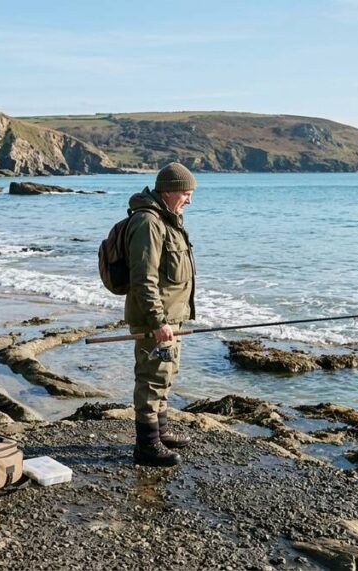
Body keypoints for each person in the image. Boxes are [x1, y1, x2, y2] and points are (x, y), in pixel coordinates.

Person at [125, 162, 197, 467]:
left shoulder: (169, 219)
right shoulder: (149, 223)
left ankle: (161, 432)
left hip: (170, 319)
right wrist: (157, 322)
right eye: (185, 193)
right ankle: (147, 445)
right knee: (151, 379)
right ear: (168, 191)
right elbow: (143, 279)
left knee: (166, 374)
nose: (189, 200)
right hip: (156, 321)